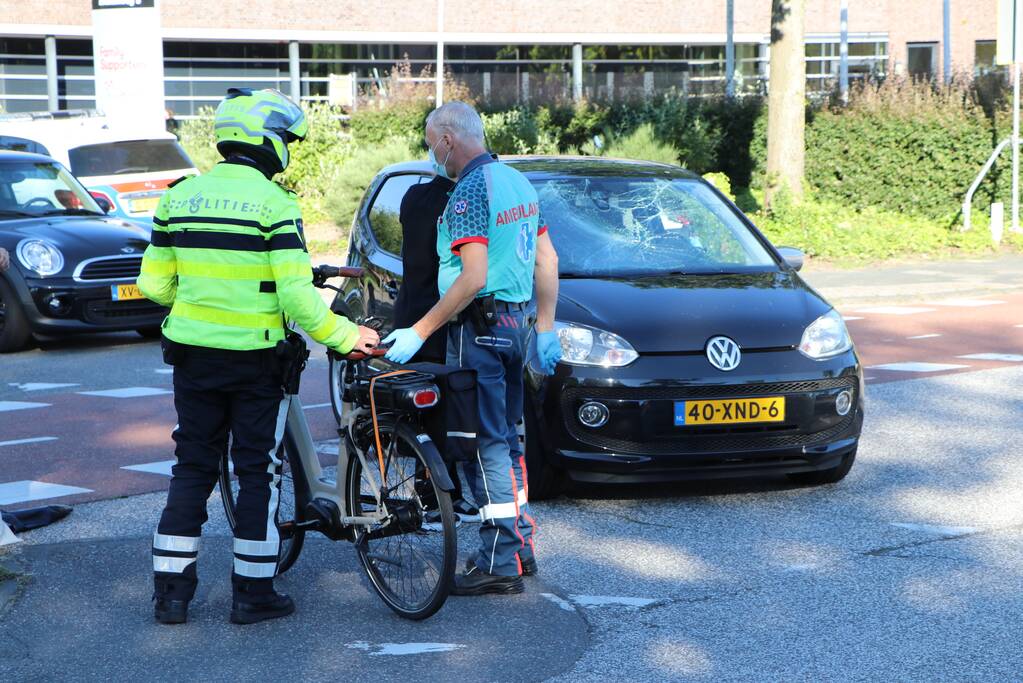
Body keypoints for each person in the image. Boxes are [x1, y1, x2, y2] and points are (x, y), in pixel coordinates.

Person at [137, 88, 378, 625]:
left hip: (193, 359)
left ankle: (171, 597)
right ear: (269, 143)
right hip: (255, 364)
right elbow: (296, 298)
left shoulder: (178, 198)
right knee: (257, 473)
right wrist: (344, 335)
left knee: (193, 468)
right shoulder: (275, 205)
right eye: (287, 139)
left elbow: (153, 285)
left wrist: (201, 299)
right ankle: (253, 593)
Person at [383, 102, 563, 595]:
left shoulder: (467, 193)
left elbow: (473, 277)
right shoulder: (517, 181)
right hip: (516, 325)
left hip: (478, 332)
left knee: (481, 449)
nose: (429, 151)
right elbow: (546, 260)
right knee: (508, 441)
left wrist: (420, 330)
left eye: (429, 141)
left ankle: (498, 563)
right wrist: (543, 328)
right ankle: (520, 547)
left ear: (447, 140)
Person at [394, 173, 479, 522]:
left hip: (411, 309)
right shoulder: (462, 202)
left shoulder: (413, 196)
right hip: (441, 314)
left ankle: (437, 494)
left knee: (422, 410)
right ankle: (439, 497)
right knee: (441, 410)